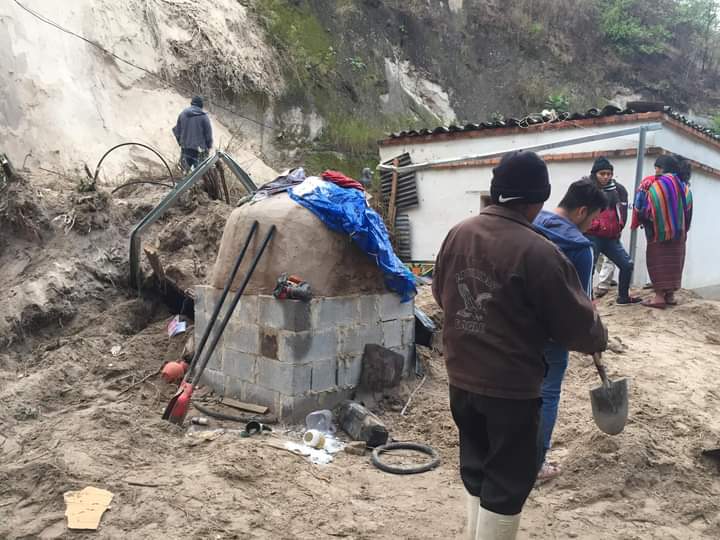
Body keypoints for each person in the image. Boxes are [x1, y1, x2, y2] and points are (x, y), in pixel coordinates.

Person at [432, 151, 608, 540]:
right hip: (510, 388)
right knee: (509, 480)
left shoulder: (458, 233)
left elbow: (442, 294)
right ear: (540, 200)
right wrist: (599, 336)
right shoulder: (540, 253)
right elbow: (577, 326)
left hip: (461, 378)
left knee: (476, 466)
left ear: (496, 194)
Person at [533, 179, 608, 481]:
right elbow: (584, 304)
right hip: (552, 334)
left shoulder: (531, 221)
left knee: (516, 391)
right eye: (593, 218)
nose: (592, 225)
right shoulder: (580, 247)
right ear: (581, 211)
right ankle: (536, 463)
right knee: (547, 393)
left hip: (514, 326)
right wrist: (593, 337)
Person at [632, 155, 693, 308]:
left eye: (658, 167)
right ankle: (670, 296)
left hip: (659, 234)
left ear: (664, 168)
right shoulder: (685, 186)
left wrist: (643, 217)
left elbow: (647, 209)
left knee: (658, 262)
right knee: (674, 263)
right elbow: (689, 210)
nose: (656, 170)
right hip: (679, 234)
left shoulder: (657, 185)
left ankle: (659, 297)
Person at [584, 157, 641, 305]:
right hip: (591, 236)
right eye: (602, 173)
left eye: (609, 173)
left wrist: (619, 227)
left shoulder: (619, 190)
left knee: (627, 265)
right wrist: (593, 225)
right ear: (595, 173)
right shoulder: (586, 188)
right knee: (588, 268)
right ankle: (587, 300)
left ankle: (623, 297)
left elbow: (623, 212)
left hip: (611, 237)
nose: (606, 177)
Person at [172, 96, 213, 171]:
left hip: (186, 149)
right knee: (199, 175)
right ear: (201, 105)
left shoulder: (183, 114)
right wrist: (209, 146)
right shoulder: (204, 116)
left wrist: (181, 142)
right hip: (200, 151)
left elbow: (177, 131)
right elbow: (208, 134)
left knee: (182, 173)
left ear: (191, 103)